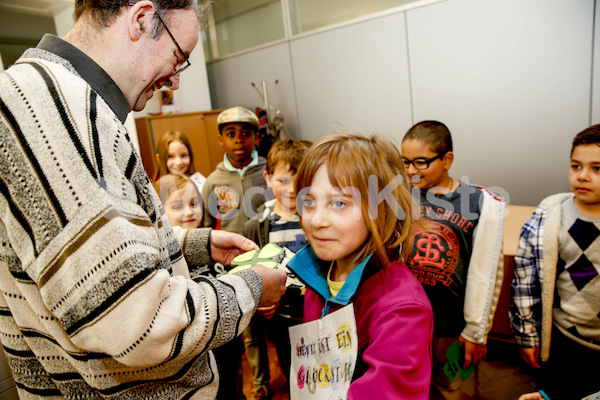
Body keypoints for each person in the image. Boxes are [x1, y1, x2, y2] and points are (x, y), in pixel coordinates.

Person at [0, 1, 287, 399]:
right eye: (179, 58)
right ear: (141, 19)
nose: (175, 81)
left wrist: (195, 245)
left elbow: (96, 257)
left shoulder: (66, 105)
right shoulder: (55, 111)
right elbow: (140, 322)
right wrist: (252, 287)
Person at [287, 132, 434, 399]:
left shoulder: (402, 310)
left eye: (339, 203)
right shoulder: (319, 274)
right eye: (309, 202)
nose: (317, 220)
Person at [401, 121, 505, 399]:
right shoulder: (400, 196)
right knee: (407, 382)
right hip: (407, 317)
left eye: (421, 162)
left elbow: (487, 271)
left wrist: (475, 331)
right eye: (406, 162)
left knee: (446, 385)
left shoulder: (478, 202)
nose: (411, 171)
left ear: (447, 160)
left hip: (450, 322)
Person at [510, 125, 600, 400]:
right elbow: (524, 284)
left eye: (597, 168)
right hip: (563, 340)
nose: (583, 175)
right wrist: (527, 336)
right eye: (576, 166)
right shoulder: (548, 220)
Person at [243, 139, 311, 398]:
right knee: (293, 376)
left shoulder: (319, 216)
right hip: (281, 320)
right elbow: (251, 273)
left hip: (317, 315)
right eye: (283, 180)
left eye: (300, 179)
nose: (292, 189)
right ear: (268, 179)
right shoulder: (257, 224)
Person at [202, 106, 268, 233]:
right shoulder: (213, 182)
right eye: (231, 134)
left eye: (246, 134)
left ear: (256, 137)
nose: (239, 140)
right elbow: (208, 225)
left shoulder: (269, 172)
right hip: (231, 251)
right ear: (221, 139)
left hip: (267, 248)